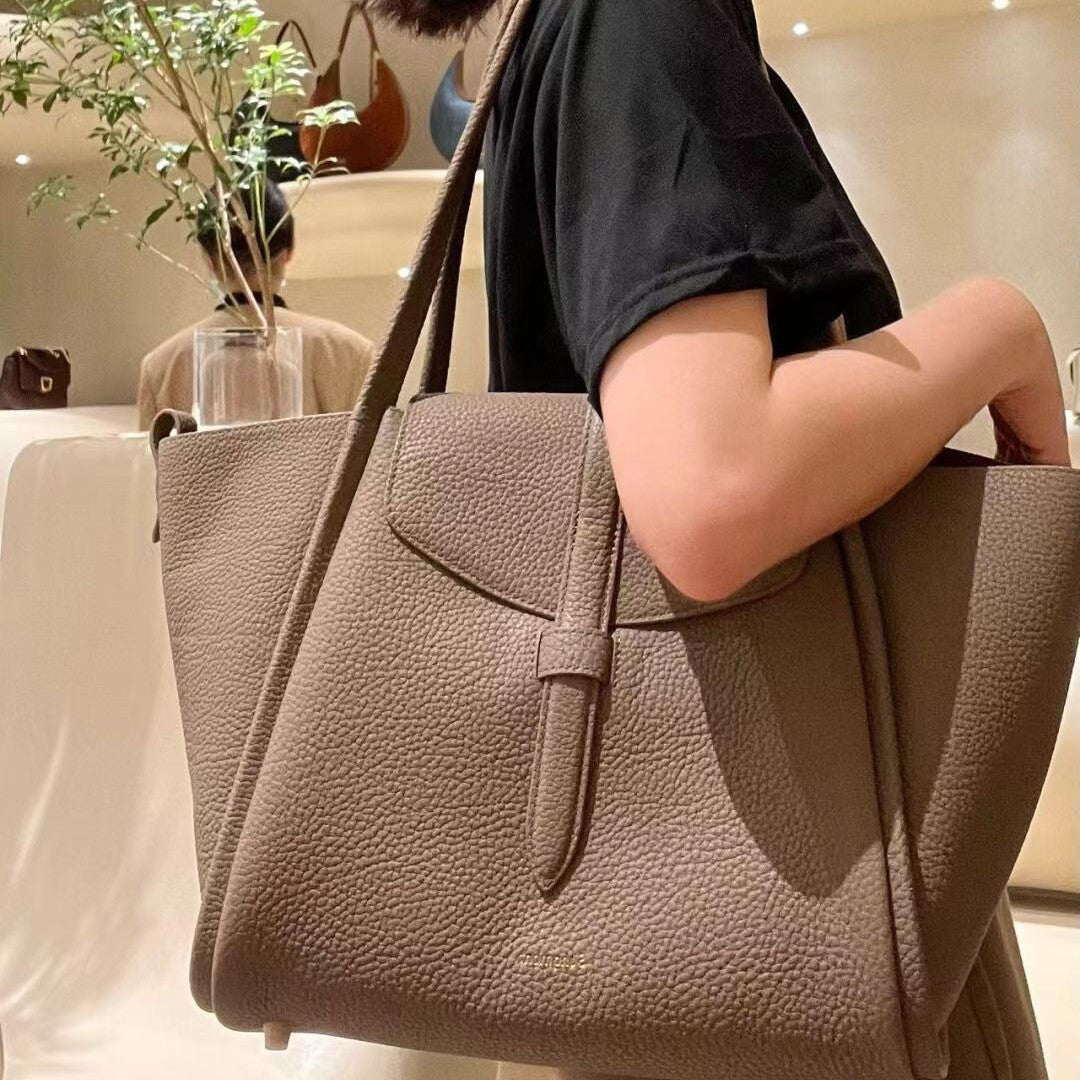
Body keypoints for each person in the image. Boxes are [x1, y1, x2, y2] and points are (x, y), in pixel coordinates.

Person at [382, 0, 1066, 1078]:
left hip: (666, 886)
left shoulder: (562, 30)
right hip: (793, 867)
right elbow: (712, 493)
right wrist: (1000, 328)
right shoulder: (631, 15)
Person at [136, 180, 373, 429]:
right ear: (288, 252)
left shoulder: (161, 367)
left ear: (209, 261)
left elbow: (150, 455)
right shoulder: (351, 353)